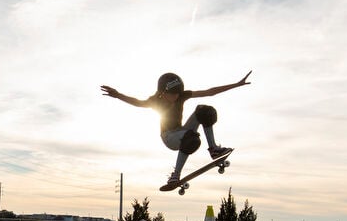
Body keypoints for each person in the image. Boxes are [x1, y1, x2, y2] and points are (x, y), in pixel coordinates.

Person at [101, 71, 251, 184]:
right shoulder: (155, 101)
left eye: (177, 94)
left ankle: (213, 149)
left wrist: (236, 84)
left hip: (181, 130)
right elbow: (138, 103)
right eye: (172, 94)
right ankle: (176, 175)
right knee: (191, 139)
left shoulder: (182, 95)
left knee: (205, 111)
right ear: (162, 93)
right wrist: (118, 95)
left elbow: (209, 92)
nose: (175, 98)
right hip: (169, 138)